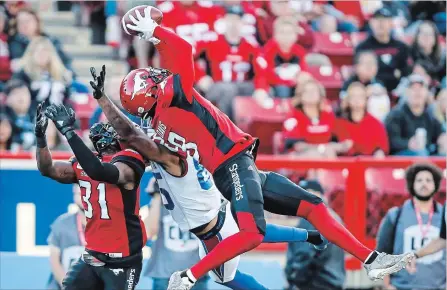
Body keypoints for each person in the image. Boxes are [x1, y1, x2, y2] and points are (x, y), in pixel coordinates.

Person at [98, 7, 413, 289]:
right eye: (153, 79)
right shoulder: (176, 99)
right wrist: (156, 33)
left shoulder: (158, 121)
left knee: (312, 206)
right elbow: (184, 49)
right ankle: (189, 276)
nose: (158, 75)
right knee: (252, 232)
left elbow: (133, 126)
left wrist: (106, 100)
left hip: (236, 167)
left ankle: (370, 260)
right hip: (230, 166)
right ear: (153, 93)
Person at [87, 88, 326, 289]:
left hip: (213, 234)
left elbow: (134, 137)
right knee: (255, 230)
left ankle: (307, 236)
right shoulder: (182, 143)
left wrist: (104, 102)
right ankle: (308, 235)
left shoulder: (171, 157)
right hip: (218, 213)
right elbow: (139, 136)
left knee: (228, 278)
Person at [35, 103, 147, 290]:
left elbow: (98, 171)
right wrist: (40, 138)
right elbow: (48, 169)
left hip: (123, 259)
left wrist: (69, 131)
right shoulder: (84, 162)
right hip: (93, 255)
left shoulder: (130, 160)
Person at [376, 163, 445, 290]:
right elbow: (381, 253)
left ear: (436, 184)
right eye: (419, 180)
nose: (424, 184)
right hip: (401, 286)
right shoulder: (395, 215)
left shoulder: (444, 214)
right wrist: (386, 285)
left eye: (428, 180)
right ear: (411, 184)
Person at [143, 177, 210, 290]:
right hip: (165, 274)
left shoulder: (201, 202)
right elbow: (150, 231)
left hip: (196, 273)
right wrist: (157, 195)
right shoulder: (161, 202)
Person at [285, 180, 345, 290]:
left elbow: (305, 256)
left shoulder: (312, 217)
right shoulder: (335, 218)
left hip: (314, 284)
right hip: (333, 283)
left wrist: (295, 280)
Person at [385, 74, 446, 156]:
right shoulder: (396, 115)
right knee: (421, 153)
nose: (417, 92)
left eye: (421, 88)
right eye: (413, 89)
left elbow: (440, 134)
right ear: (407, 92)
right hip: (401, 158)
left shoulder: (429, 116)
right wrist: (408, 144)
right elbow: (391, 141)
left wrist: (443, 139)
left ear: (426, 92)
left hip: (425, 156)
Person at [355, 7, 411, 91]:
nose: (380, 23)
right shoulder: (363, 47)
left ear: (391, 23)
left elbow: (406, 72)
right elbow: (362, 74)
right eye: (377, 20)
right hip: (371, 89)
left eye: (384, 20)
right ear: (371, 23)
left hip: (399, 89)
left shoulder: (401, 47)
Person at [47, 184, 86, 290]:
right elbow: (54, 261)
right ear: (74, 194)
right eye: (79, 194)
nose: (83, 198)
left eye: (87, 193)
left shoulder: (107, 228)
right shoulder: (61, 224)